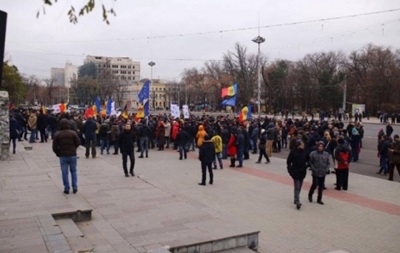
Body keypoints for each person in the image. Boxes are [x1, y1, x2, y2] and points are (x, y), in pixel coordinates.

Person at [52, 119, 80, 194]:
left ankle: (66, 188)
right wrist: (74, 149)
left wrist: (58, 153)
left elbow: (54, 147)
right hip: (72, 154)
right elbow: (78, 143)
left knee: (64, 172)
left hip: (63, 155)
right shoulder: (73, 133)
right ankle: (75, 187)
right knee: (73, 171)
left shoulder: (57, 134)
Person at [287, 139, 308, 209]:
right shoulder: (293, 152)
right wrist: (290, 171)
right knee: (297, 187)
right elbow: (289, 161)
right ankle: (297, 201)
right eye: (301, 145)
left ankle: (296, 198)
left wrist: (307, 165)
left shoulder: (305, 152)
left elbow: (308, 160)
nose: (303, 146)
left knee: (300, 186)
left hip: (302, 172)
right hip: (295, 172)